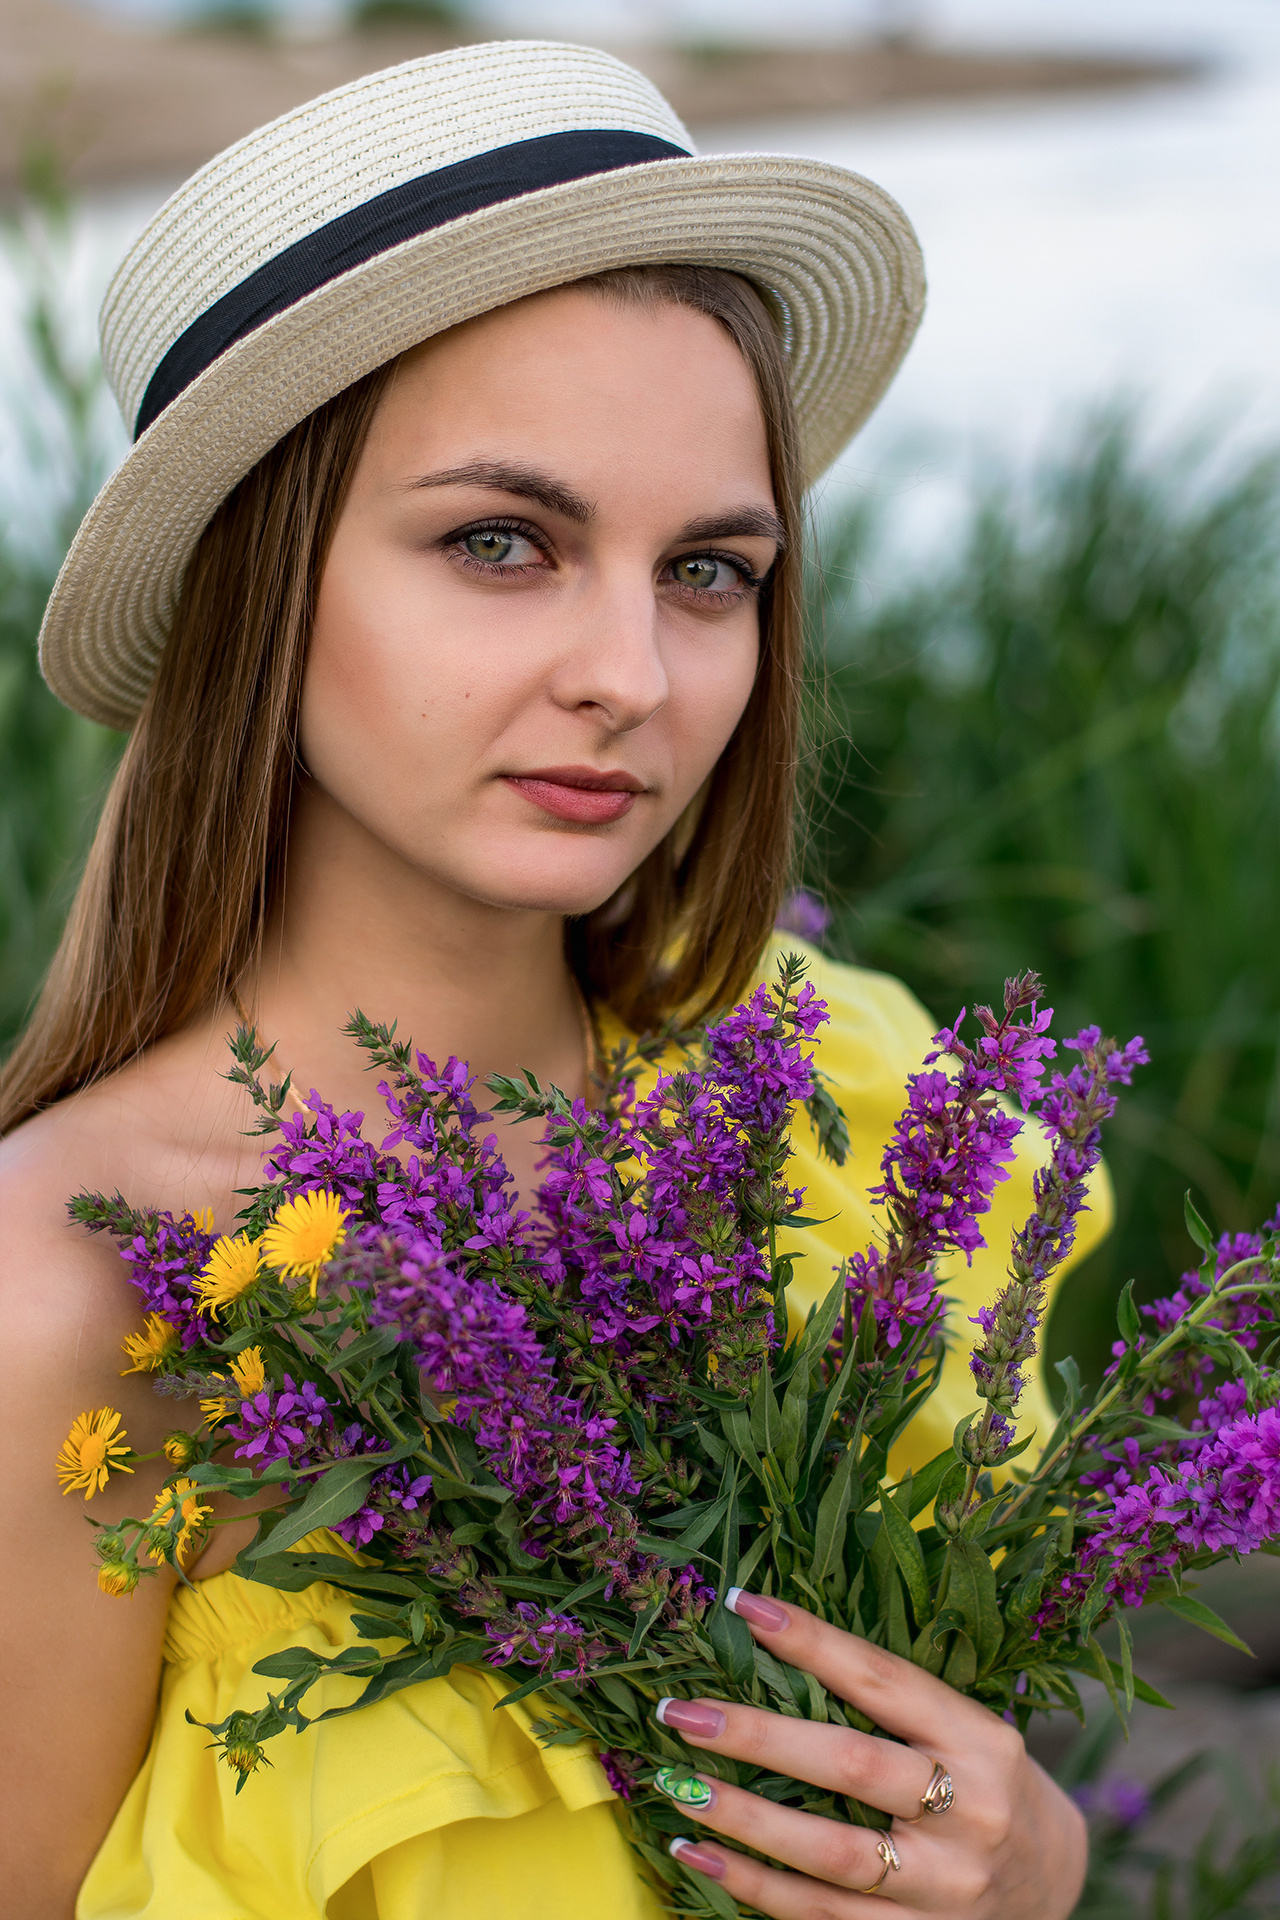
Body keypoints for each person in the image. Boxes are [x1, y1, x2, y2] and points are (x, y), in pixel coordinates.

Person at [0, 41, 1105, 1920]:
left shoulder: (830, 1092)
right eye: (500, 543)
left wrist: (1029, 1863)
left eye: (708, 570)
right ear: (256, 589)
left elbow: (964, 1750)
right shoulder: (76, 1299)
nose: (633, 673)